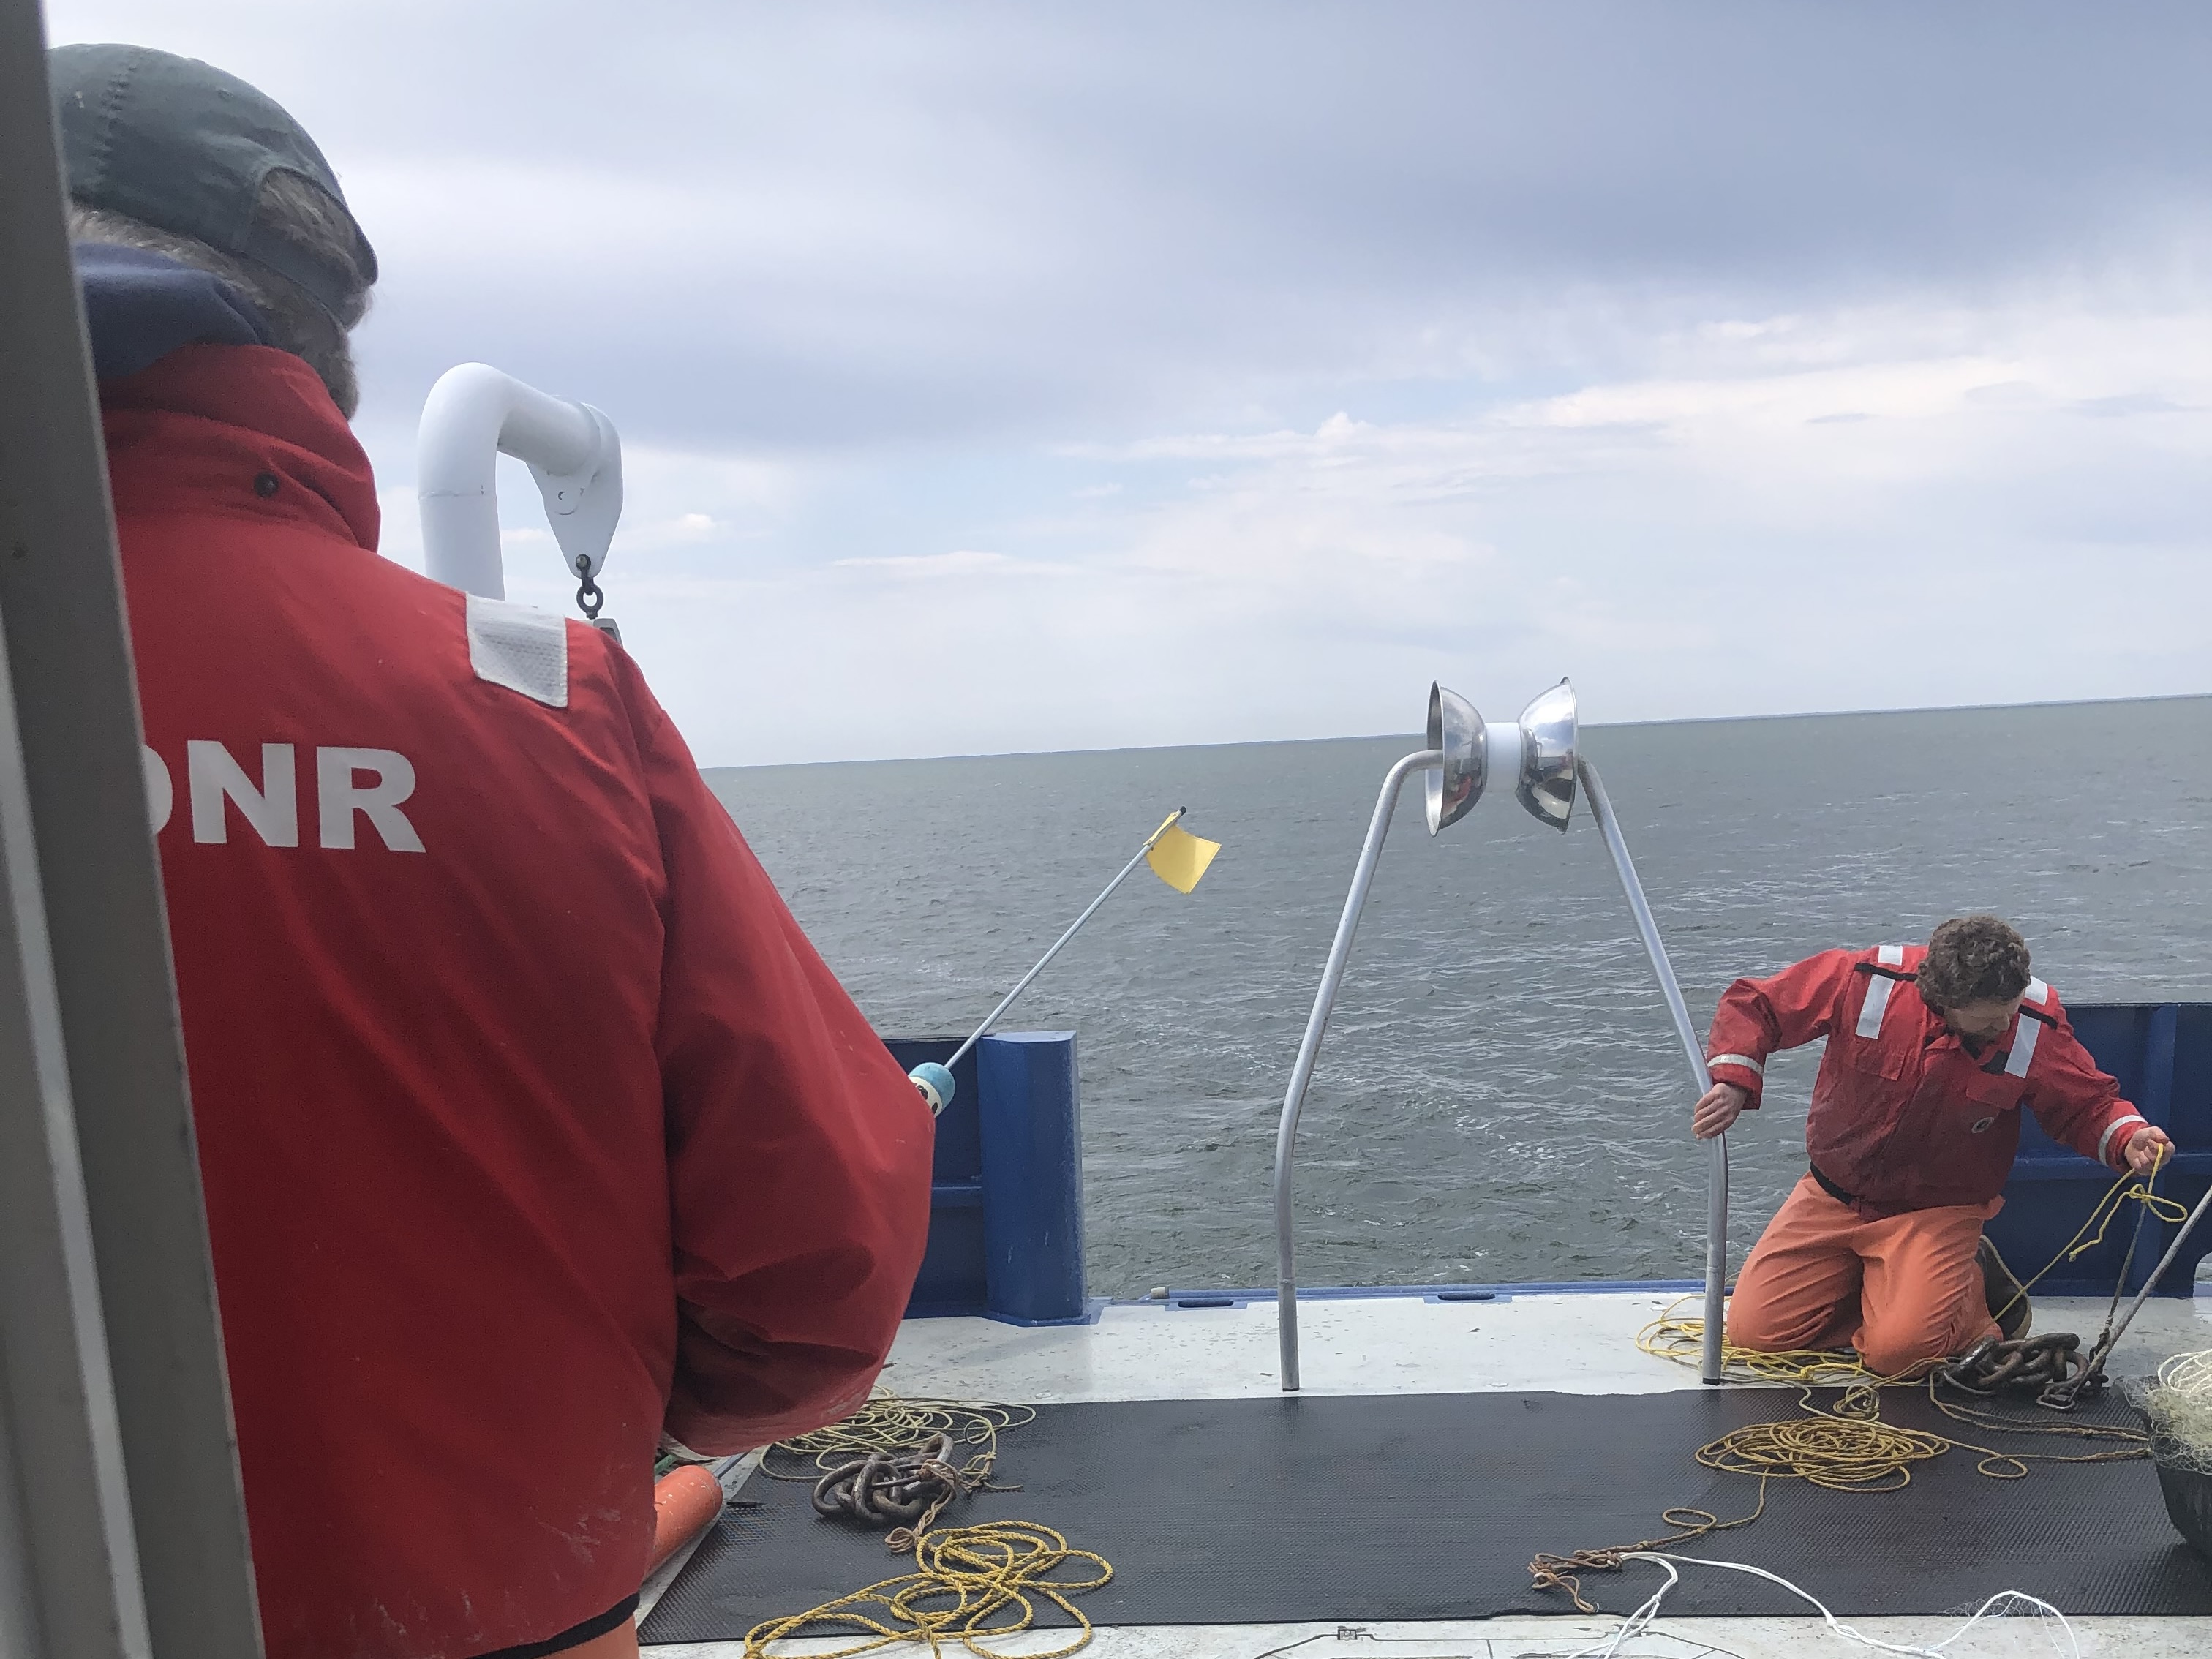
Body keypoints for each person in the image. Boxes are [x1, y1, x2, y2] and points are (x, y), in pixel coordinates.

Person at [51, 42, 935, 1659]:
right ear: (317, 364)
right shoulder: (555, 705)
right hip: (491, 1612)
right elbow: (824, 1254)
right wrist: (596, 1436)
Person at [1693, 914, 2173, 1377]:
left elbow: (2085, 1104)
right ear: (1941, 1000)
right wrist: (1734, 1082)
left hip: (1936, 1210)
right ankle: (1899, 1299)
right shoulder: (1868, 980)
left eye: (2010, 1010)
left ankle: (1964, 1295)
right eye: (1988, 1022)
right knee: (1755, 1333)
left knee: (1900, 1356)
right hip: (1831, 1195)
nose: (2005, 1025)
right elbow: (1756, 1003)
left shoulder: (2031, 1019)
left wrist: (2129, 1137)